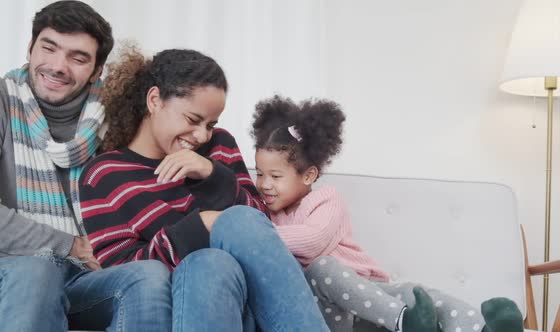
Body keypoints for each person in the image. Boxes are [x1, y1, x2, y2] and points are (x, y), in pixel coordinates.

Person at [79, 45, 329, 331]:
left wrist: (212, 174)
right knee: (208, 263)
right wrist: (201, 225)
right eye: (193, 120)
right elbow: (124, 273)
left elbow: (259, 223)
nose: (201, 135)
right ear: (154, 100)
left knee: (235, 226)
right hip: (176, 303)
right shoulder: (103, 174)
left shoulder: (219, 146)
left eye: (211, 124)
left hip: (245, 300)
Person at [251, 95, 525, 332]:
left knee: (416, 294)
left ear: (309, 175)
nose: (264, 184)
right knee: (321, 270)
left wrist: (257, 235)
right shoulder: (265, 215)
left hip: (372, 297)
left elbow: (312, 240)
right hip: (327, 314)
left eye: (275, 176)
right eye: (260, 174)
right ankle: (405, 322)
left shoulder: (326, 200)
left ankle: (482, 328)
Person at [0, 2, 172, 331]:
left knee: (149, 275)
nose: (57, 66)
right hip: (14, 270)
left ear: (96, 71)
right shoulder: (3, 100)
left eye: (77, 58)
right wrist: (71, 245)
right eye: (48, 48)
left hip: (88, 276)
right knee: (38, 271)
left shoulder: (118, 117)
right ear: (30, 48)